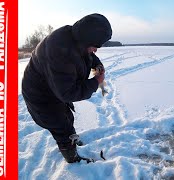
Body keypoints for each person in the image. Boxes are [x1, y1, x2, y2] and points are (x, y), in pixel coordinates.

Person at [21, 13, 112, 163]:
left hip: (54, 88)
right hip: (40, 96)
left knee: (67, 118)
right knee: (61, 126)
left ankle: (72, 141)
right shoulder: (59, 53)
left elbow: (86, 53)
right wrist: (96, 82)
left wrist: (96, 65)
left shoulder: (76, 37)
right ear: (87, 39)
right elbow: (68, 92)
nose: (96, 50)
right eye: (95, 46)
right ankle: (72, 158)